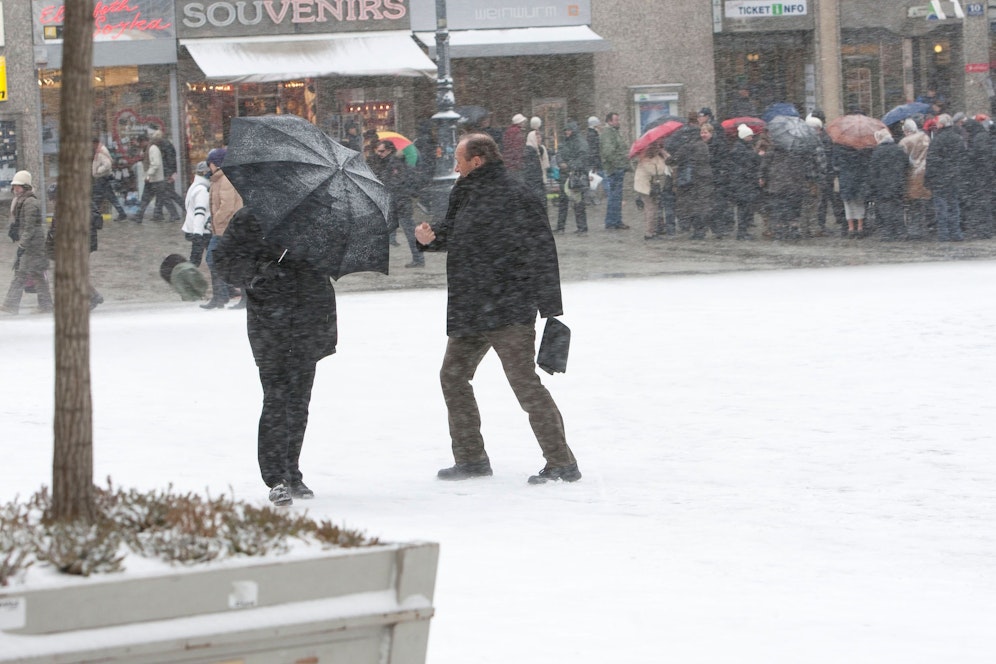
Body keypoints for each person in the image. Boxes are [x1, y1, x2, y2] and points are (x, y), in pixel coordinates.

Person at [414, 133, 580, 485]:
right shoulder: (464, 191)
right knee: (453, 376)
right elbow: (456, 233)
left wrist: (550, 306)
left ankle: (562, 463)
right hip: (471, 307)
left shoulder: (517, 194)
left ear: (477, 160)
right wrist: (431, 238)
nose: (454, 166)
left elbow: (542, 248)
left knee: (524, 384)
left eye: (459, 159)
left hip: (509, 307)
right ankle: (471, 458)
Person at [214, 207, 338, 505]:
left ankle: (292, 471)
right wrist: (257, 273)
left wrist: (315, 251)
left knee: (299, 402)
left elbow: (329, 263)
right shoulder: (251, 217)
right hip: (270, 323)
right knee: (276, 399)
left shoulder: (319, 216)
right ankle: (276, 477)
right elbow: (223, 260)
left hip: (309, 318)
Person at [2, 171, 53, 315]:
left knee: (21, 274)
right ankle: (45, 305)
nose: (15, 189)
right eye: (14, 187)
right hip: (32, 244)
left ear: (25, 187)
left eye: (18, 186)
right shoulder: (22, 201)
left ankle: (11, 305)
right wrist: (15, 229)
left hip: (33, 246)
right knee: (36, 275)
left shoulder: (30, 202)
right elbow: (24, 224)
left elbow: (29, 228)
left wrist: (22, 245)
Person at [201, 147, 245, 308]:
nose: (209, 166)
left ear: (216, 163)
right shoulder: (218, 178)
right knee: (226, 260)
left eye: (210, 163)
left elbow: (227, 206)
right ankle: (222, 296)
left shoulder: (226, 179)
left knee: (216, 259)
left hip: (227, 228)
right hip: (222, 228)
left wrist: (216, 220)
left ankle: (226, 296)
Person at [371, 139, 422, 268]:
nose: (379, 153)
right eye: (378, 151)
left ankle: (418, 258)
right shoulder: (387, 162)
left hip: (400, 202)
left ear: (389, 150)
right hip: (396, 202)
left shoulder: (395, 164)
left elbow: (397, 183)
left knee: (409, 231)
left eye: (382, 151)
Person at [666, 122, 714, 239]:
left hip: (694, 179)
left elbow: (672, 160)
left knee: (693, 205)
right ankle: (702, 229)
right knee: (703, 204)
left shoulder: (688, 146)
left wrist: (665, 155)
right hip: (706, 177)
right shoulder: (703, 145)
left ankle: (697, 231)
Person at [924, 113, 965, 242]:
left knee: (941, 206)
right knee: (954, 205)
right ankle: (956, 232)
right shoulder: (958, 138)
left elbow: (931, 160)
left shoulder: (937, 140)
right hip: (954, 177)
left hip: (940, 178)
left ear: (941, 125)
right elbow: (963, 158)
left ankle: (944, 233)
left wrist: (928, 178)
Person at [867, 128, 909, 241]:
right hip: (897, 183)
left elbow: (873, 171)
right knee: (898, 208)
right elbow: (906, 164)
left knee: (885, 209)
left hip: (882, 185)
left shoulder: (877, 152)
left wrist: (873, 185)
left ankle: (888, 232)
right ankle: (901, 231)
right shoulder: (898, 149)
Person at [133, 131, 180, 223]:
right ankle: (139, 216)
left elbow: (156, 164)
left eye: (140, 143)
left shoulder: (152, 149)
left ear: (144, 141)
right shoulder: (147, 149)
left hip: (156, 179)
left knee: (164, 198)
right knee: (146, 198)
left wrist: (148, 175)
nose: (140, 145)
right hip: (152, 179)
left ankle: (174, 214)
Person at [727, 123, 761, 240]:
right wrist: (758, 156)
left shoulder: (741, 147)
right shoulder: (741, 149)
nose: (751, 138)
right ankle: (742, 232)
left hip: (743, 183)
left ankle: (743, 231)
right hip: (743, 183)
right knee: (743, 208)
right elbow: (750, 163)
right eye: (749, 136)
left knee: (744, 208)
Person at [555, 120, 589, 234]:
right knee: (563, 201)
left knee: (578, 202)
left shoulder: (581, 143)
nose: (567, 132)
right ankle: (560, 227)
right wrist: (561, 162)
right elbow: (559, 154)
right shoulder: (565, 142)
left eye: (569, 130)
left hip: (576, 175)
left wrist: (569, 165)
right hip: (565, 174)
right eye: (566, 130)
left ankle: (582, 227)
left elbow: (582, 158)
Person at [899, 118, 931, 239]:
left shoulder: (905, 142)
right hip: (925, 174)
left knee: (913, 204)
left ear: (906, 130)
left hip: (911, 176)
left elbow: (902, 160)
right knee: (923, 203)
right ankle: (924, 228)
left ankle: (914, 230)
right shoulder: (925, 138)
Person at [633, 141, 670, 240]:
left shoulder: (656, 156)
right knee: (650, 209)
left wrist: (664, 154)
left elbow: (670, 161)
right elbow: (656, 171)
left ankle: (652, 230)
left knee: (654, 208)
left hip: (652, 186)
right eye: (656, 146)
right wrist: (663, 159)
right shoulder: (645, 158)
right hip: (645, 187)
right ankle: (649, 233)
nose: (658, 148)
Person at [599, 112, 630, 229]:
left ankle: (616, 221)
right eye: (616, 120)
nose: (618, 122)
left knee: (616, 196)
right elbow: (608, 152)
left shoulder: (613, 132)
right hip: (614, 169)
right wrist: (619, 162)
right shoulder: (608, 133)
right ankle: (612, 221)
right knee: (614, 196)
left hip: (617, 168)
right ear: (609, 121)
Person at [182, 161, 212, 266]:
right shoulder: (202, 190)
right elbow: (199, 213)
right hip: (203, 230)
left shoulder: (195, 186)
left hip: (198, 229)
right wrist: (198, 234)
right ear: (205, 173)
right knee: (212, 260)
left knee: (196, 259)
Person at [92, 137, 128, 221]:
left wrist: (98, 171)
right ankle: (122, 213)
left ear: (95, 143)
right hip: (103, 178)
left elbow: (107, 164)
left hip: (102, 178)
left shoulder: (101, 151)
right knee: (110, 197)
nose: (92, 146)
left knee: (97, 198)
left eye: (92, 144)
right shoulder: (100, 150)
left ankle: (94, 216)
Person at [157, 130, 187, 220]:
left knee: (167, 194)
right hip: (168, 172)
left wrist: (170, 173)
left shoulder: (165, 145)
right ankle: (180, 210)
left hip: (167, 173)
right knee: (168, 193)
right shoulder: (166, 144)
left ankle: (176, 213)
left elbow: (170, 160)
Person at [585, 116, 604, 205]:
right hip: (593, 162)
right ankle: (592, 198)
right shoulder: (593, 135)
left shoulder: (590, 134)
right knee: (594, 180)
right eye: (598, 124)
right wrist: (595, 164)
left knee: (593, 180)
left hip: (592, 161)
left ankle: (590, 198)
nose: (600, 126)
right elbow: (594, 150)